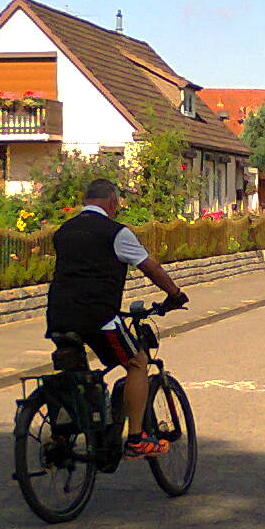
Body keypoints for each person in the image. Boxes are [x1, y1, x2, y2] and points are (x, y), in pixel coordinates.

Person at [46, 179, 188, 458]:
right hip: (98, 317)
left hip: (59, 316)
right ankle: (136, 439)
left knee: (75, 375)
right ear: (112, 203)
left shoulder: (64, 231)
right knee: (137, 362)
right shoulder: (117, 233)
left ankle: (63, 438)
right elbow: (150, 267)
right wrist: (175, 294)